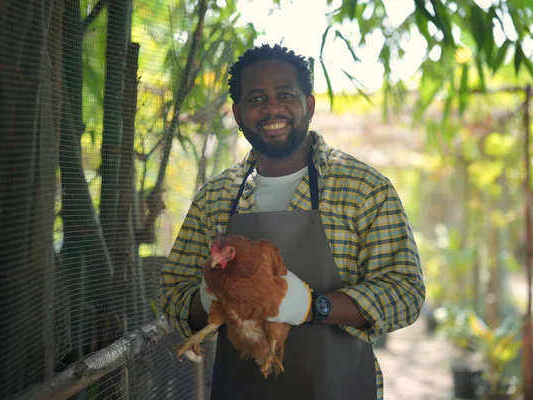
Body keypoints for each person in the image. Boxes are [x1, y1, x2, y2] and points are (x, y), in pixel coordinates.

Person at [158, 44, 426, 400]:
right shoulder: (216, 196)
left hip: (338, 388)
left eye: (285, 95)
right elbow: (172, 294)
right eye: (256, 99)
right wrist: (212, 299)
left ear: (308, 106)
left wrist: (312, 306)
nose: (272, 108)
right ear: (238, 113)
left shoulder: (362, 187)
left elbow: (405, 291)